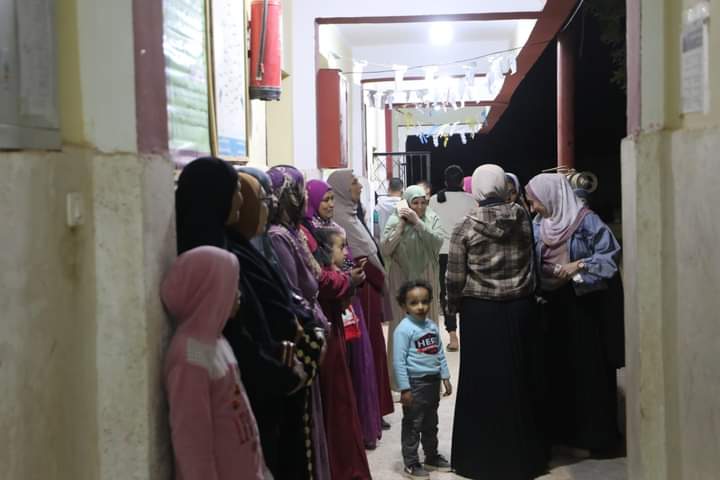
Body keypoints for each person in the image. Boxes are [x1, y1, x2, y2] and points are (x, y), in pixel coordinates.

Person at [446, 164, 546, 480]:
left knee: (481, 383)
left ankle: (479, 461)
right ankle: (524, 459)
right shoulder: (522, 218)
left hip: (481, 313)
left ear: (476, 189)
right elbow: (532, 260)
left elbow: (455, 277)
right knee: (519, 379)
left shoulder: (465, 226)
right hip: (519, 308)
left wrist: (452, 310)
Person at [525, 173, 624, 455]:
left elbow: (609, 258)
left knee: (589, 371)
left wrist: (579, 266)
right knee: (559, 369)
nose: (533, 207)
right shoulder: (539, 224)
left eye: (535, 201)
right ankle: (564, 433)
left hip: (583, 304)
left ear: (551, 197)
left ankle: (596, 438)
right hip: (551, 304)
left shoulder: (587, 221)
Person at [226, 173, 312, 479]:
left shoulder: (249, 248)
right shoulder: (228, 257)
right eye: (261, 200)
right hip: (263, 380)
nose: (268, 207)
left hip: (277, 372)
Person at [161, 246, 266, 480]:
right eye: (231, 285)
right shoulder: (190, 354)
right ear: (209, 292)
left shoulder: (216, 342)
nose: (238, 294)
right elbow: (193, 443)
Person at [304, 178, 384, 449]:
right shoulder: (309, 233)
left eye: (331, 199)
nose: (330, 204)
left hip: (350, 299)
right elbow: (319, 276)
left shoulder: (337, 226)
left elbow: (350, 258)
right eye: (325, 200)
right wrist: (348, 278)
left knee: (359, 362)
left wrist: (352, 278)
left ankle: (363, 426)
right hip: (332, 304)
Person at [267, 165, 331, 480]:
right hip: (302, 335)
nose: (305, 197)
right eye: (300, 190)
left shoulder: (290, 232)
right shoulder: (278, 237)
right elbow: (294, 292)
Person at [327, 169, 395, 423]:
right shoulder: (340, 219)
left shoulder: (353, 215)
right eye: (354, 182)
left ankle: (375, 408)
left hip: (368, 286)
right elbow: (354, 257)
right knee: (365, 351)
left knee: (373, 347)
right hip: (359, 288)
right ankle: (368, 410)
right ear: (343, 188)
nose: (360, 186)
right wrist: (368, 273)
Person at [311, 227, 373, 479]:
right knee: (336, 399)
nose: (346, 252)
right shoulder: (325, 272)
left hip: (336, 333)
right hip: (328, 338)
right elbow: (325, 287)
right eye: (341, 247)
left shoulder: (335, 271)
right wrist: (349, 281)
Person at [382, 185, 444, 391]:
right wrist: (401, 226)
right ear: (406, 203)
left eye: (423, 202)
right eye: (414, 203)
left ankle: (428, 379)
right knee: (400, 326)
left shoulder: (431, 218)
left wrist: (418, 223)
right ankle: (399, 381)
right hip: (401, 279)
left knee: (427, 325)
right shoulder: (394, 220)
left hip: (426, 276)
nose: (419, 207)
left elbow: (437, 243)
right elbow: (386, 248)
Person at [393, 280, 453, 479]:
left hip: (432, 382)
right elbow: (399, 361)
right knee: (413, 424)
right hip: (415, 384)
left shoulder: (432, 326)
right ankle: (411, 463)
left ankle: (431, 456)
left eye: (425, 301)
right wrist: (405, 389)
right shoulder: (403, 329)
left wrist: (445, 376)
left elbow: (439, 353)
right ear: (404, 305)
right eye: (414, 303)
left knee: (430, 423)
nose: (420, 307)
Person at [428, 165, 476, 351]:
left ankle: (453, 335)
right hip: (466, 252)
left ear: (445, 181)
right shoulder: (472, 200)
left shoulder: (434, 200)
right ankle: (468, 331)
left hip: (442, 252)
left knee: (446, 294)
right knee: (467, 292)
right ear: (462, 181)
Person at [175, 157, 243, 253]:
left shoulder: (230, 240)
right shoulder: (204, 254)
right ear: (216, 195)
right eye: (236, 190)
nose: (241, 199)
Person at [374, 177, 404, 241]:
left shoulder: (378, 206)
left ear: (388, 189)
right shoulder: (404, 205)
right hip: (401, 243)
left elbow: (375, 229)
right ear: (401, 190)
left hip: (384, 242)